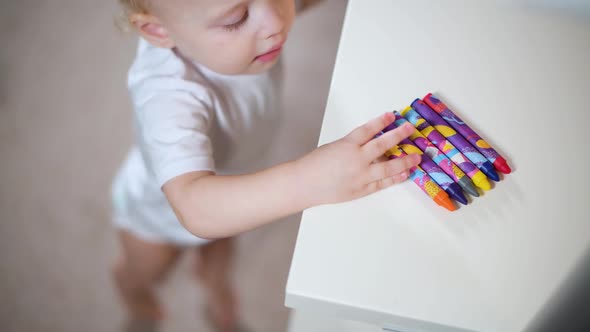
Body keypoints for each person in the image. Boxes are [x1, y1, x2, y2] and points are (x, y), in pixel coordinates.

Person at [111, 0, 420, 330]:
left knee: (220, 254)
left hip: (232, 186)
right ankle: (135, 296)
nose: (275, 22)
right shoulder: (166, 94)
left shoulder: (256, 27)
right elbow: (196, 208)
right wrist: (312, 178)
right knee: (147, 269)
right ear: (159, 30)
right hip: (156, 210)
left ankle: (216, 289)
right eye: (237, 16)